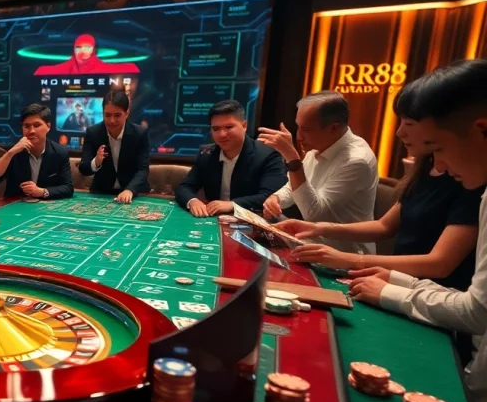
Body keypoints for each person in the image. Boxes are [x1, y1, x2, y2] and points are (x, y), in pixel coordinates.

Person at [346, 58, 487, 402]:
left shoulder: (477, 193)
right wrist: (396, 280)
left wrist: (389, 290)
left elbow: (477, 311)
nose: (434, 160)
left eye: (436, 146)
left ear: (482, 129)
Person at [276, 82, 481, 291]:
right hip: (400, 283)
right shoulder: (425, 165)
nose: (399, 132)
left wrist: (345, 258)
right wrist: (319, 228)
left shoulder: (470, 180)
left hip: (431, 293)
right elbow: (384, 226)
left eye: (409, 123)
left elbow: (439, 265)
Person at [259, 91, 378, 254]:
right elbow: (295, 186)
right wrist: (277, 198)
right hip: (311, 245)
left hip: (345, 256)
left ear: (334, 128)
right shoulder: (320, 144)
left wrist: (293, 160)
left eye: (306, 129)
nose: (298, 136)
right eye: (298, 127)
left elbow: (314, 214)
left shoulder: (357, 160)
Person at [175, 100, 287, 216]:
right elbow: (185, 187)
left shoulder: (268, 155)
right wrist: (193, 201)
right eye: (216, 129)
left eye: (228, 127)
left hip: (250, 219)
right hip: (213, 219)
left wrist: (233, 204)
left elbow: (270, 197)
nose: (222, 134)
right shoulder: (207, 154)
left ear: (244, 126)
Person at [0, 103, 73, 200]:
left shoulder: (59, 153)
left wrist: (41, 191)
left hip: (45, 206)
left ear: (48, 126)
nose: (32, 131)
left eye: (37, 125)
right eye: (26, 126)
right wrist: (10, 154)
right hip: (15, 206)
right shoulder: (15, 152)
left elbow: (68, 188)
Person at [77, 90, 150, 204]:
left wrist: (129, 190)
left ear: (127, 113)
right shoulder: (93, 133)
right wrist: (96, 162)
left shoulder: (139, 134)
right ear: (103, 113)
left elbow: (142, 170)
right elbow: (84, 169)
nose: (112, 121)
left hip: (134, 194)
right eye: (107, 115)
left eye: (117, 115)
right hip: (101, 193)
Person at [33, 34, 141, 76]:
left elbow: (132, 69)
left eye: (87, 48)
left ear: (94, 50)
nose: (82, 53)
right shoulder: (47, 71)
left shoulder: (109, 69)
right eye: (78, 48)